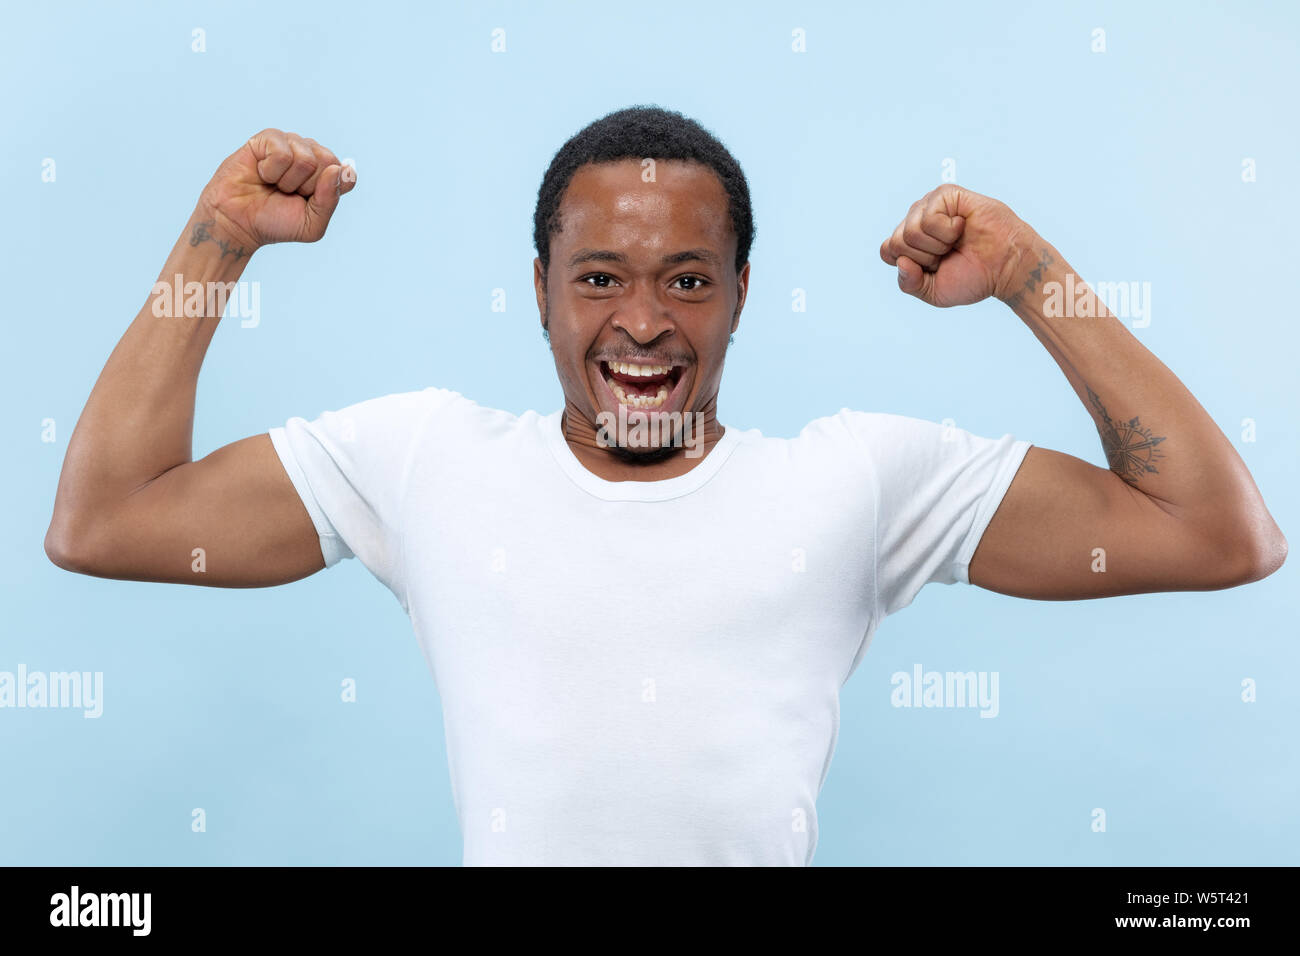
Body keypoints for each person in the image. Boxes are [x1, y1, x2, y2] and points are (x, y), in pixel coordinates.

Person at [44, 106, 1286, 866]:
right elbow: (104, 518)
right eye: (598, 279)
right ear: (538, 288)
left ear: (743, 292)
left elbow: (1218, 531)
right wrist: (220, 233)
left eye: (688, 279)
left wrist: (1028, 272)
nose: (641, 322)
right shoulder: (423, 459)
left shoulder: (857, 481)